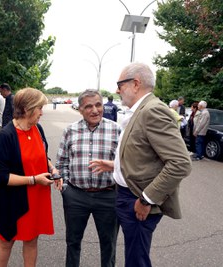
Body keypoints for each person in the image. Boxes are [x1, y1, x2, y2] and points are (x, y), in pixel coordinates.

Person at [113, 62, 191, 266]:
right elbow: (144, 152)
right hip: (128, 195)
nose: (117, 90)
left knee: (136, 260)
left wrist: (146, 199)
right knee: (134, 255)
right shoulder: (140, 110)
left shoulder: (152, 111)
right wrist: (114, 166)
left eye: (120, 85)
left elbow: (180, 163)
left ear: (135, 84)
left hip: (137, 199)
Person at [0, 87, 60, 267]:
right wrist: (33, 179)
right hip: (13, 199)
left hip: (36, 197)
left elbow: (42, 155)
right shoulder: (7, 135)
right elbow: (1, 176)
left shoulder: (37, 128)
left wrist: (53, 169)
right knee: (7, 241)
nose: (42, 113)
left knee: (31, 240)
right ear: (28, 109)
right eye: (40, 108)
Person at [56, 89, 120, 267]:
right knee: (73, 242)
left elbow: (127, 164)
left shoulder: (116, 130)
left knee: (109, 244)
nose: (95, 110)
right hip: (76, 196)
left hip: (108, 196)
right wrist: (66, 190)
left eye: (98, 105)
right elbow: (62, 162)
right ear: (80, 109)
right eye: (89, 106)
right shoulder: (70, 131)